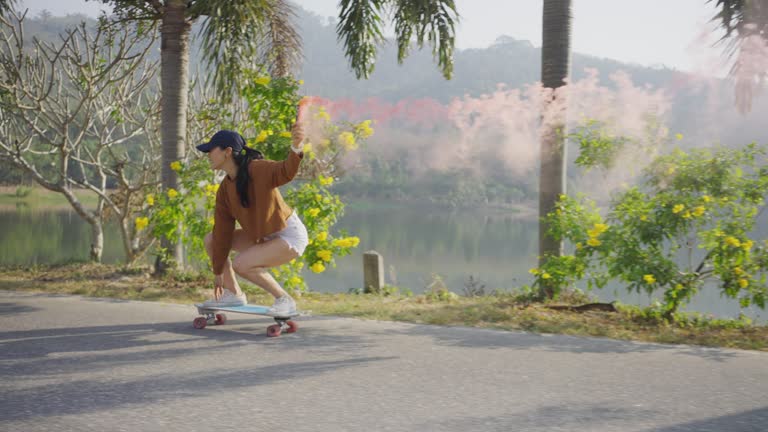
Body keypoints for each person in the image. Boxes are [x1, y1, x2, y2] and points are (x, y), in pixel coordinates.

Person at [196, 123, 308, 315]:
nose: (207, 155)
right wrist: (217, 273)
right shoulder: (225, 189)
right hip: (264, 236)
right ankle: (233, 294)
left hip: (289, 236)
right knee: (212, 240)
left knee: (242, 264)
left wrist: (296, 147)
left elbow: (285, 171)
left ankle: (284, 300)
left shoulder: (257, 169)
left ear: (227, 152)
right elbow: (222, 232)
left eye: (211, 150)